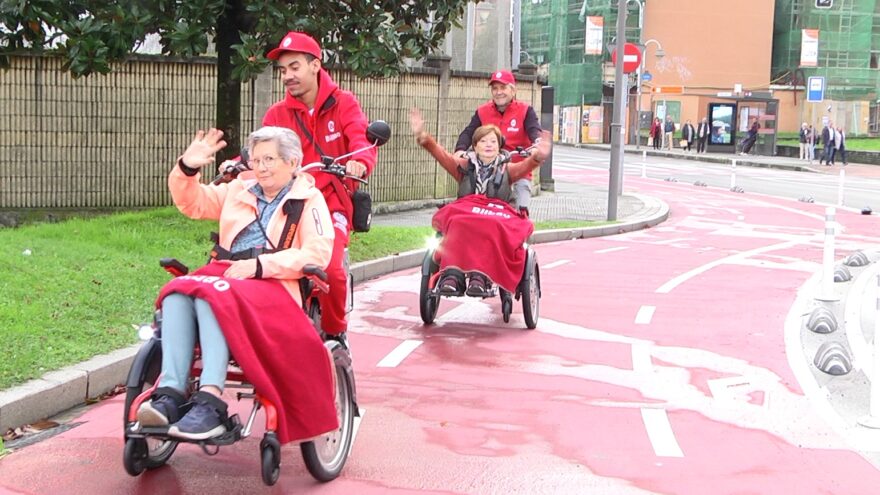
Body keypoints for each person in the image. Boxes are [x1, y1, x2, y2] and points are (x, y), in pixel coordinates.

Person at [137, 126, 338, 443]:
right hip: (226, 277)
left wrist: (259, 266)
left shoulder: (309, 200)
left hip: (273, 287)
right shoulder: (238, 190)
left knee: (210, 295)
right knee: (177, 293)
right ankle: (171, 392)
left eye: (270, 159)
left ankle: (211, 400)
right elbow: (193, 203)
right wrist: (188, 168)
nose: (261, 167)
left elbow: (317, 253)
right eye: (256, 159)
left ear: (293, 162)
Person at [261, 31, 377, 338]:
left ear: (316, 65)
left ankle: (336, 334)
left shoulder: (343, 103)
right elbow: (260, 152)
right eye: (284, 70)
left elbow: (362, 140)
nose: (288, 76)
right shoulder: (277, 114)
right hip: (287, 205)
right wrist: (237, 165)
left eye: (295, 67)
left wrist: (359, 162)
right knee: (256, 262)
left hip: (330, 205)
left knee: (333, 272)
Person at [410, 108, 551, 297]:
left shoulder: (508, 169)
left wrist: (539, 155)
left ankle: (481, 276)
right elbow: (441, 155)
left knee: (490, 225)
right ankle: (452, 274)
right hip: (466, 213)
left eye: (493, 141)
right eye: (483, 141)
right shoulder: (463, 166)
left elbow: (529, 165)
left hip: (495, 216)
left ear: (499, 146)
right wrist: (423, 137)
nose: (488, 145)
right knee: (457, 222)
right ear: (474, 146)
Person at [452, 70, 542, 215]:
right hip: (489, 171)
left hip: (517, 171)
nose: (498, 92)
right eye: (495, 88)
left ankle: (521, 236)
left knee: (521, 209)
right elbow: (469, 132)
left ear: (513, 90)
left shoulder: (526, 111)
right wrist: (460, 150)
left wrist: (537, 146)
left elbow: (534, 130)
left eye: (503, 87)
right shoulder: (482, 111)